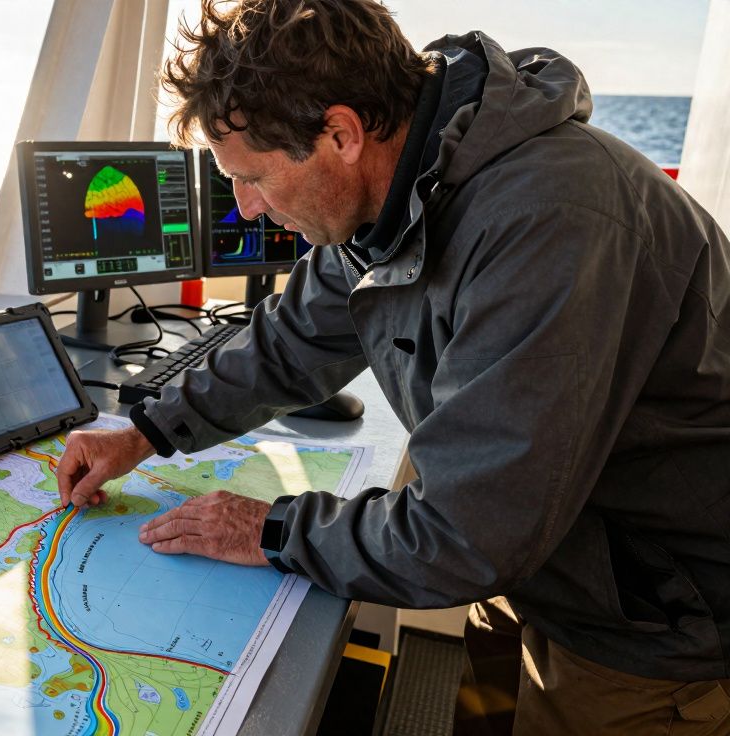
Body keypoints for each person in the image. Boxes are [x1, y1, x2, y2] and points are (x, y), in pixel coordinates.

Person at [53, 0, 730, 733]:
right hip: (552, 566)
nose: (245, 209)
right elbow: (291, 340)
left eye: (251, 178)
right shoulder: (397, 193)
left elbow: (470, 533)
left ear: (340, 133)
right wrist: (145, 430)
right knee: (479, 715)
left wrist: (271, 530)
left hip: (657, 619)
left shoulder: (549, 221)